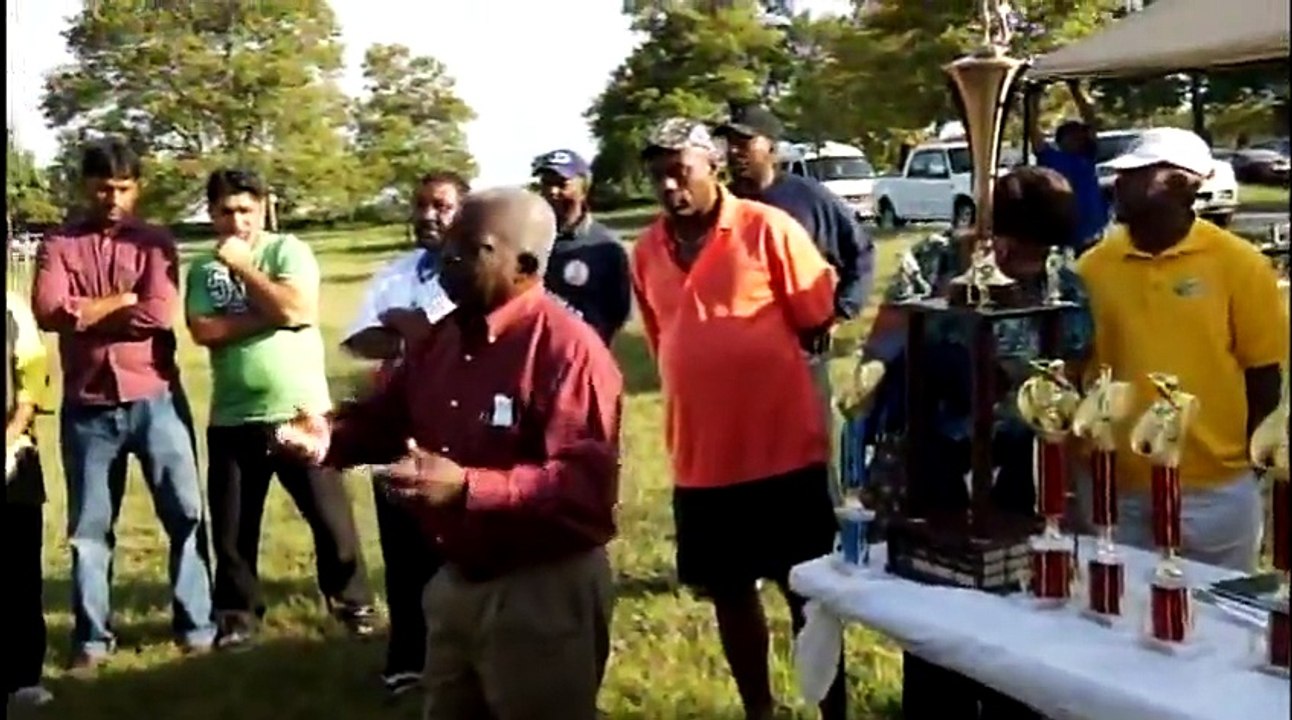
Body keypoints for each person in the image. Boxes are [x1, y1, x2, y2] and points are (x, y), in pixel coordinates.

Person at [276, 187, 622, 720]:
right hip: (456, 579)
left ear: (526, 266)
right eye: (451, 242)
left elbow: (583, 490)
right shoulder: (442, 339)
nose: (449, 256)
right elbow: (389, 418)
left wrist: (467, 487)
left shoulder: (567, 352)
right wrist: (329, 438)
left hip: (541, 588)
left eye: (471, 247)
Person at [630, 118, 845, 720]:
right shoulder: (645, 251)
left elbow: (816, 314)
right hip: (703, 460)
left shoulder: (767, 228)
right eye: (658, 176)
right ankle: (760, 711)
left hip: (783, 452)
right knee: (728, 592)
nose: (669, 187)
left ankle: (833, 711)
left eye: (681, 172)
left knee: (809, 594)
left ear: (714, 167)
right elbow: (661, 339)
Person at [862, 166, 1093, 720]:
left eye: (1044, 252)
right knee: (935, 602)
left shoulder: (1065, 282)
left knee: (1019, 606)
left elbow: (1072, 369)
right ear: (994, 230)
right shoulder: (932, 260)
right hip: (934, 458)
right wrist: (948, 316)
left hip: (1020, 464)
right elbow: (881, 349)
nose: (1033, 263)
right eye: (1023, 249)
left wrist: (1018, 382)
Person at [32, 138, 215, 670]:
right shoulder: (59, 243)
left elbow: (156, 314)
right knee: (89, 530)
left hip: (155, 396)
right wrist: (121, 301)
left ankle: (197, 625)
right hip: (88, 404)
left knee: (185, 515)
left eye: (123, 188)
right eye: (102, 188)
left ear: (138, 188)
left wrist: (86, 312)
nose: (112, 199)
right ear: (84, 185)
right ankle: (92, 639)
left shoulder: (155, 242)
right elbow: (48, 310)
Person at [1077, 127, 1288, 572]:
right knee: (1119, 606)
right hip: (1117, 485)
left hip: (1213, 491)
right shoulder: (1092, 267)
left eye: (1134, 175)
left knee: (1219, 608)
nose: (1116, 185)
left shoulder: (1240, 264)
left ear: (1180, 184)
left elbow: (1263, 373)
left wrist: (1247, 468)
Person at [184, 168, 374, 648]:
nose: (236, 221)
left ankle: (353, 603)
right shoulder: (203, 267)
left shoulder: (287, 250)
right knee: (233, 530)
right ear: (211, 213)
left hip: (299, 411)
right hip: (233, 415)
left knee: (330, 520)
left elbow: (295, 309)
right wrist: (268, 314)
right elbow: (204, 330)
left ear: (263, 207)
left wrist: (245, 269)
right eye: (226, 211)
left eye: (246, 210)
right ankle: (238, 615)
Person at [341, 170, 466, 697]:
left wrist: (406, 329)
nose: (428, 215)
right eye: (421, 205)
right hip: (398, 427)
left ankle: (463, 659)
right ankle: (409, 660)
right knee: (403, 553)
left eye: (441, 205)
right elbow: (359, 340)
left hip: (461, 432)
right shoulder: (395, 274)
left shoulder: (478, 276)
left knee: (458, 550)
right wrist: (415, 336)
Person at [715, 102, 876, 503]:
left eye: (744, 142)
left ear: (771, 147)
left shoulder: (808, 199)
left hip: (801, 354)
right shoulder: (720, 206)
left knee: (809, 456)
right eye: (729, 143)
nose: (733, 151)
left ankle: (823, 529)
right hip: (739, 360)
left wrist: (842, 311)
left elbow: (860, 252)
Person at [5, 289, 52, 707]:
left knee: (19, 577)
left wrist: (9, 437)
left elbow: (32, 382)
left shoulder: (12, 309)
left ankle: (23, 677)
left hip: (12, 462)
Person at [532, 149, 632, 345]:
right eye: (546, 183)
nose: (552, 192)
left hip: (583, 354)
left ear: (584, 189)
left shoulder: (606, 247)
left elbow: (617, 314)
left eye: (562, 184)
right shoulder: (528, 240)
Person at [1027, 80, 1107, 252]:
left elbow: (1091, 119)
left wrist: (1075, 89)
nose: (1081, 137)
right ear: (1062, 139)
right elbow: (1033, 131)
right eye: (1075, 134)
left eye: (1081, 134)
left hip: (1097, 236)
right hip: (1070, 238)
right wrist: (1034, 99)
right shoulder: (1051, 158)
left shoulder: (1087, 155)